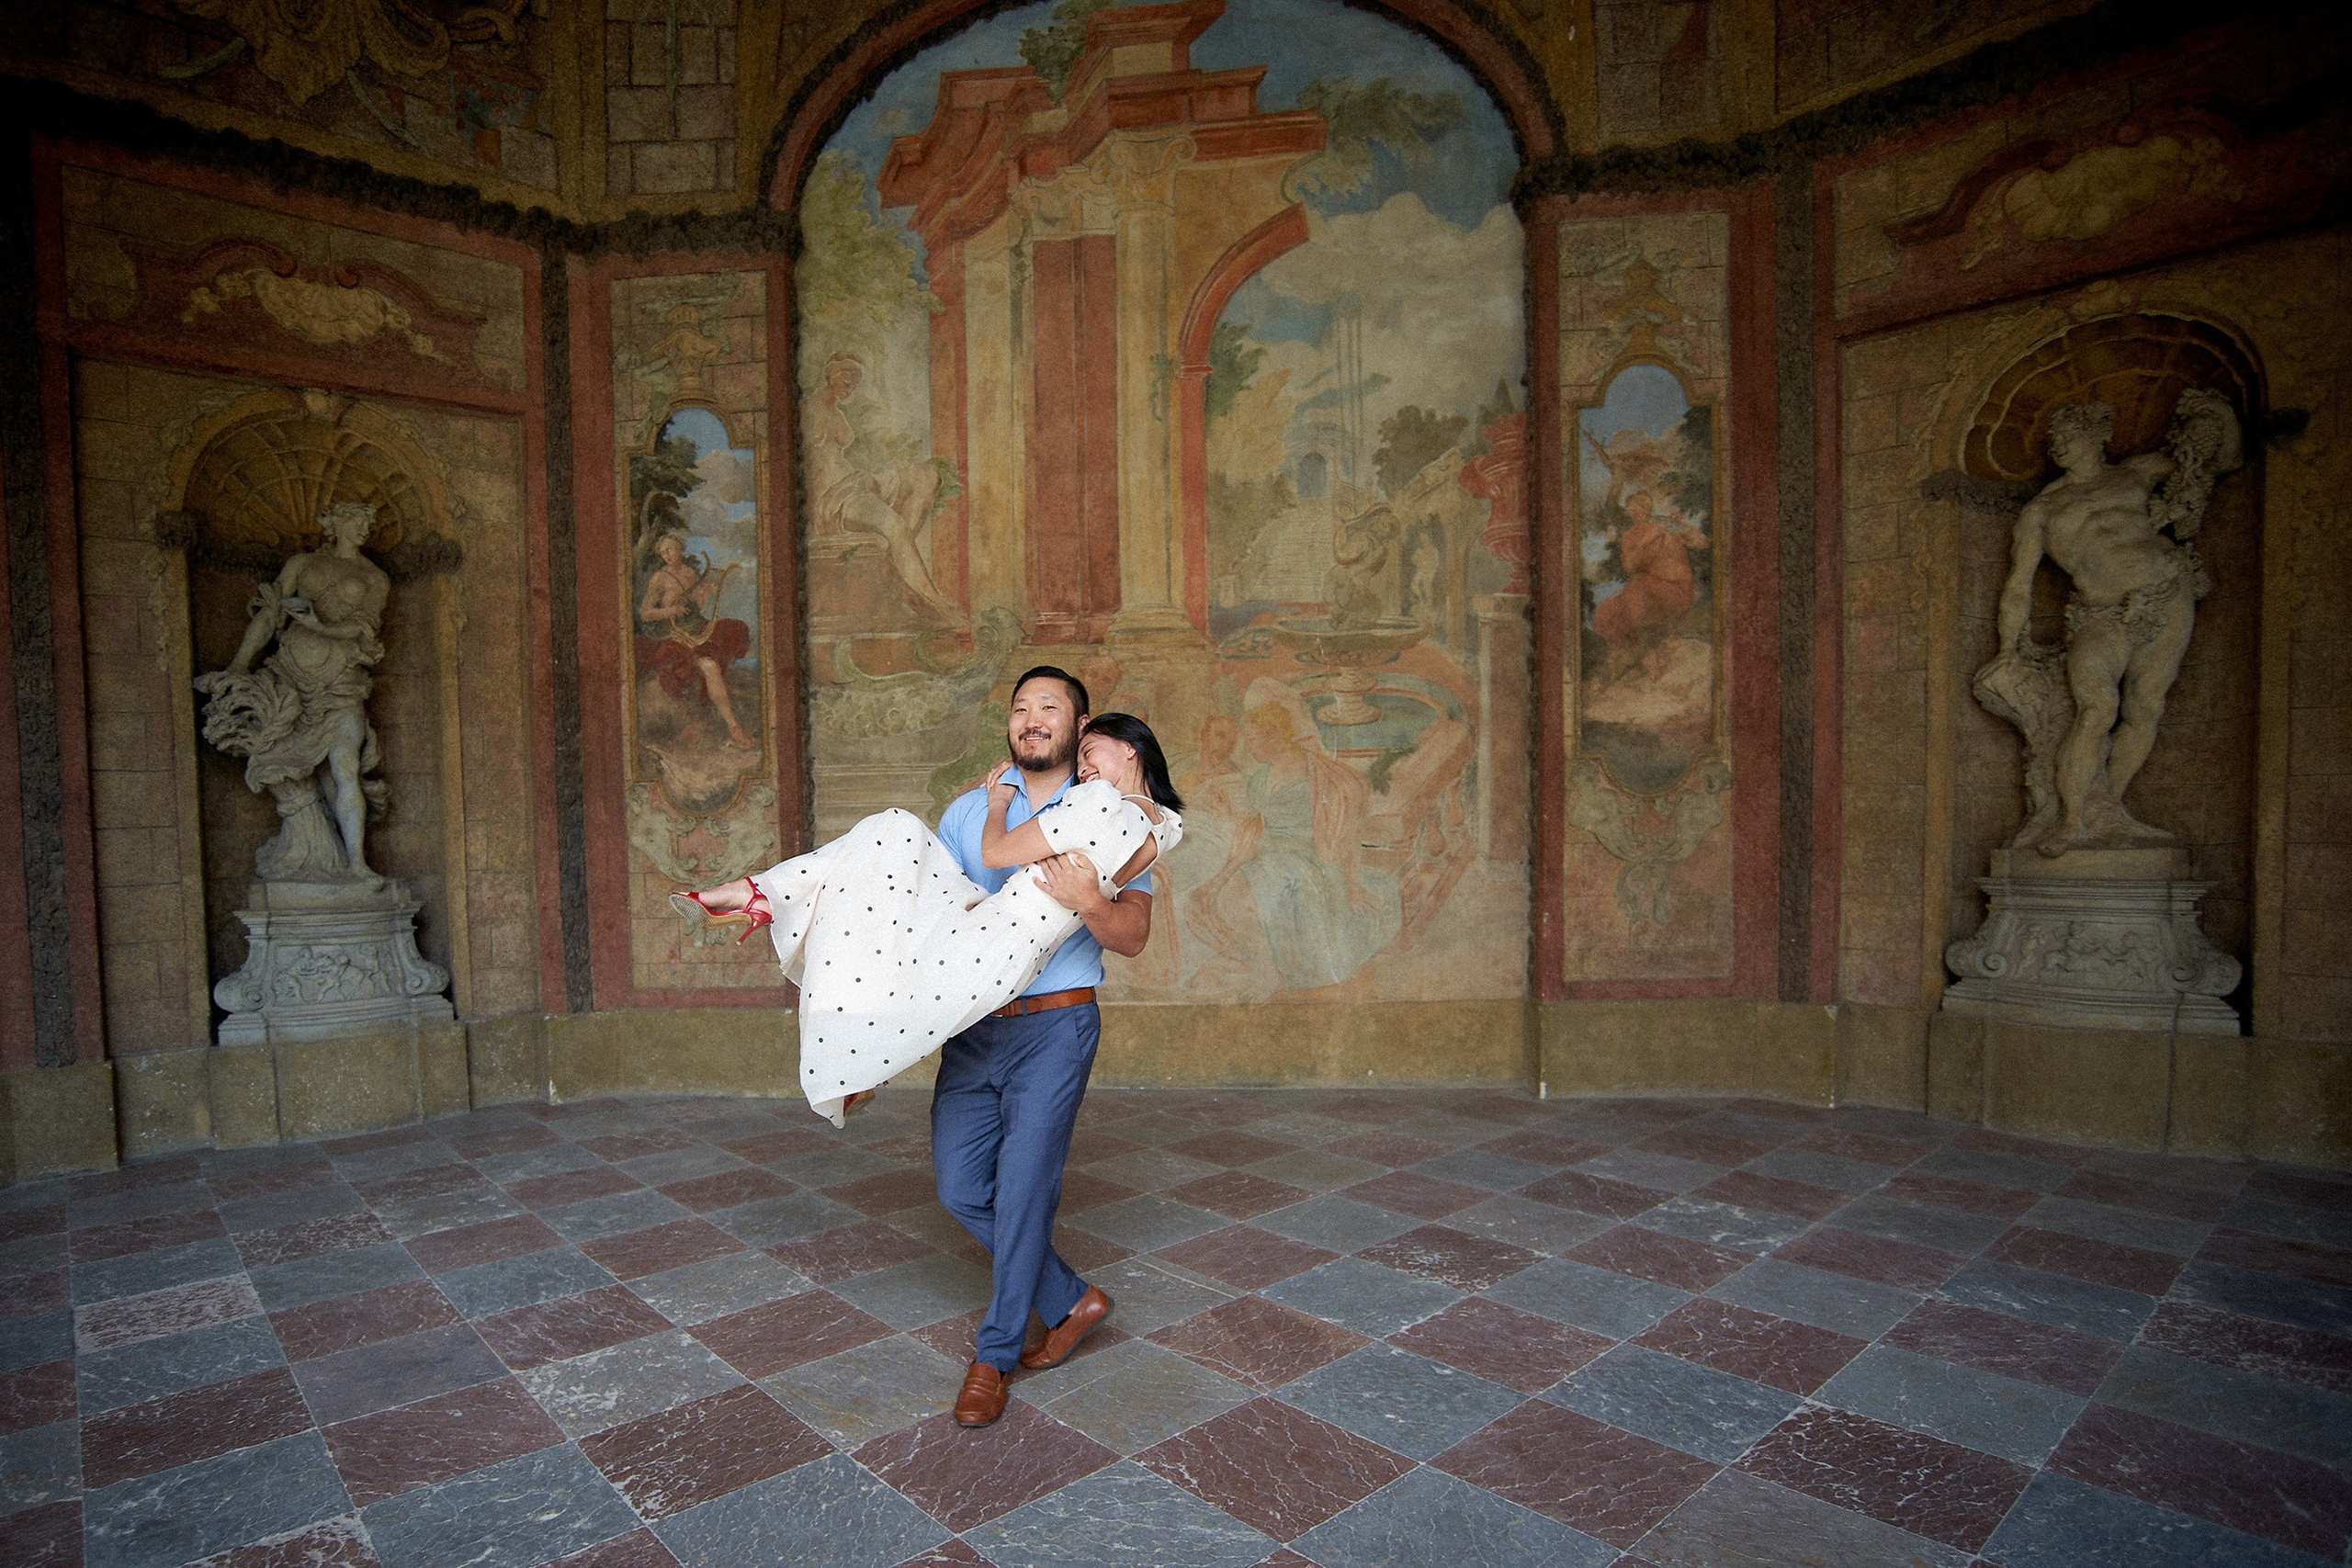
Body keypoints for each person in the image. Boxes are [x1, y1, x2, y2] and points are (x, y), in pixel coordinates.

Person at [673, 670, 1181, 1428]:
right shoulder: (969, 809)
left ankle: (994, 1355)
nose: (1033, 720)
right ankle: (1072, 1298)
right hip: (975, 1016)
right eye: (1020, 709)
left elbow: (1132, 935)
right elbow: (911, 918)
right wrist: (998, 811)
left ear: (1081, 728)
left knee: (1022, 1191)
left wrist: (1088, 901)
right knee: (958, 1184)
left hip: (1053, 1025)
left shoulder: (1105, 811)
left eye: (1053, 710)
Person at [636, 533, 755, 751]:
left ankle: (733, 729)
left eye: (670, 550)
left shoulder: (690, 574)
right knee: (710, 666)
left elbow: (697, 608)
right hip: (677, 635)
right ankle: (733, 727)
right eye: (663, 552)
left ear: (680, 548)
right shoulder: (659, 578)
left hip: (700, 629)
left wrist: (705, 595)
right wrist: (670, 610)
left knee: (717, 658)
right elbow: (644, 613)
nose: (666, 555)